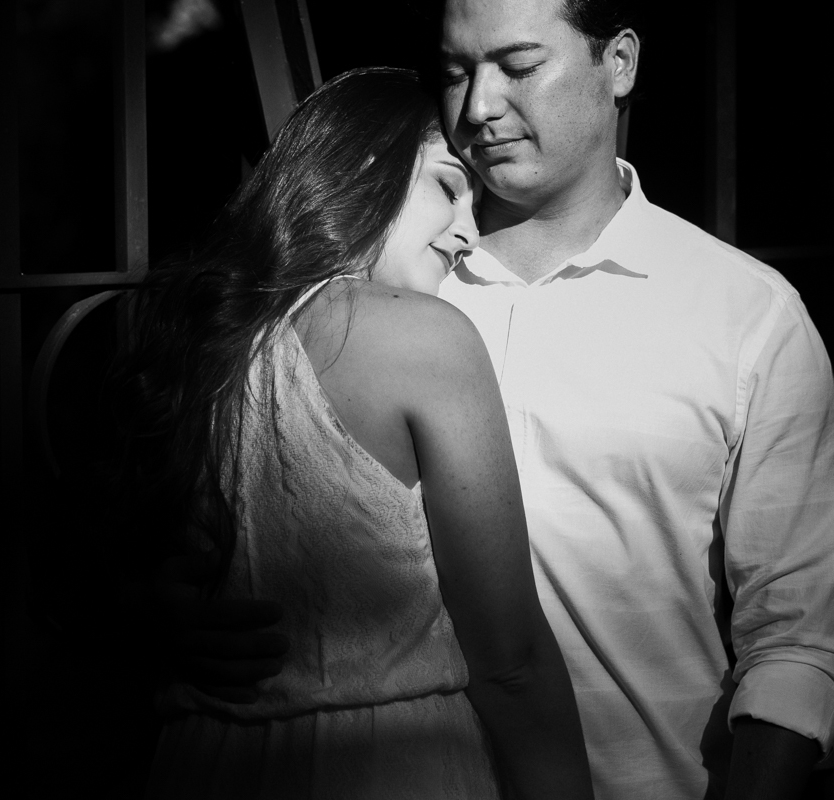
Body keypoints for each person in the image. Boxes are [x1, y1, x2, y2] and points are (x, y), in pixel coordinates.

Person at [167, 2, 834, 799]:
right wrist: (165, 615)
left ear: (619, 63)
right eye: (456, 72)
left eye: (519, 66)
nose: (478, 106)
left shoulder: (746, 314)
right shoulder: (396, 273)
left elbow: (797, 638)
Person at [110, 66, 591, 799]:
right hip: (391, 768)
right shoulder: (428, 337)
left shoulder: (200, 341)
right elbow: (511, 660)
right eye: (448, 187)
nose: (469, 234)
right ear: (366, 165)